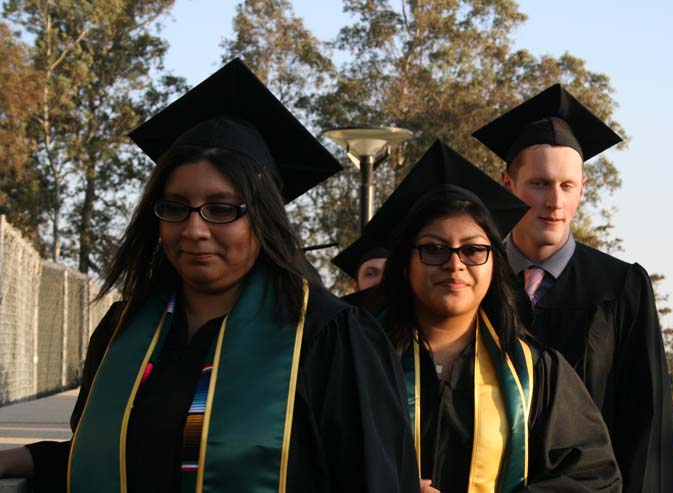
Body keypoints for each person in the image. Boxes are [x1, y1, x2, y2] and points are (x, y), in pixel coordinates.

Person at [0, 59, 418, 493]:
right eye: (176, 207)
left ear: (263, 218)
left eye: (222, 209)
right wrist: (14, 459)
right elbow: (116, 456)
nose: (194, 229)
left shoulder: (327, 337)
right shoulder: (124, 333)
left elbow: (372, 477)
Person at [356, 140, 622, 492]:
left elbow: (594, 479)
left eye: (473, 250)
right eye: (434, 249)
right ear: (405, 264)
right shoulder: (354, 361)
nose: (455, 265)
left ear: (495, 263)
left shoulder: (538, 373)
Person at [473, 84, 673, 493]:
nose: (554, 202)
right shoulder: (475, 280)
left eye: (567, 186)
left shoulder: (621, 288)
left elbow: (646, 422)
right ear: (506, 183)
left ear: (582, 188)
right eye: (539, 183)